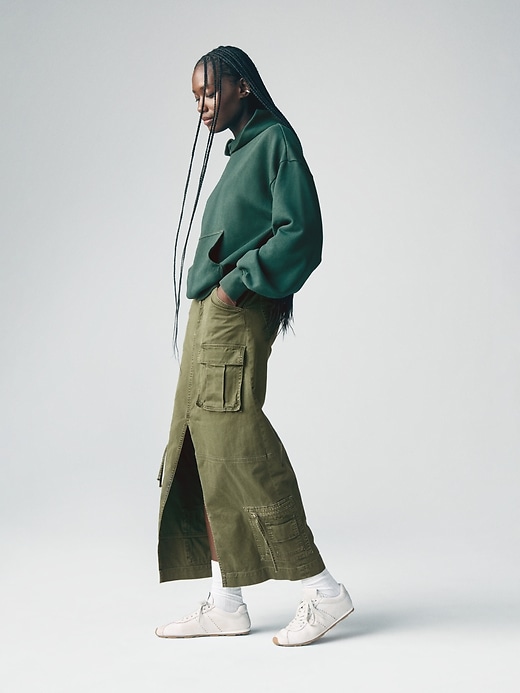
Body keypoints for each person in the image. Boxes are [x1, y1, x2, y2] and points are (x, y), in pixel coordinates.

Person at [155, 46, 353, 647]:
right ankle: (227, 602)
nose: (202, 105)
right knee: (202, 448)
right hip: (211, 318)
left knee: (240, 448)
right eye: (195, 96)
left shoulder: (274, 142)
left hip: (232, 316)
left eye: (210, 91)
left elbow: (303, 234)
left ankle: (324, 590)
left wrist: (235, 287)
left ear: (242, 86)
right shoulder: (242, 150)